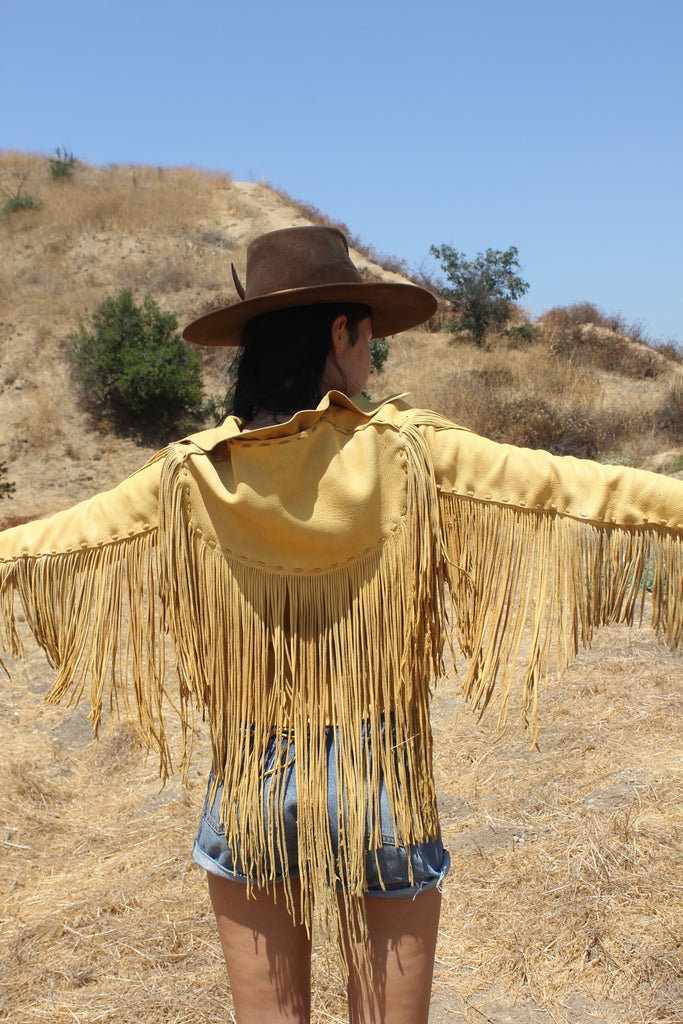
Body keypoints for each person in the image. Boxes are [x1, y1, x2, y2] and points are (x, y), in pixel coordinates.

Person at [1, 226, 682, 1024]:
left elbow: (51, 541)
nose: (372, 358)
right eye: (368, 338)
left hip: (252, 776)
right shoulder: (410, 450)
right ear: (337, 333)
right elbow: (575, 489)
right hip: (378, 773)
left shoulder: (190, 471)